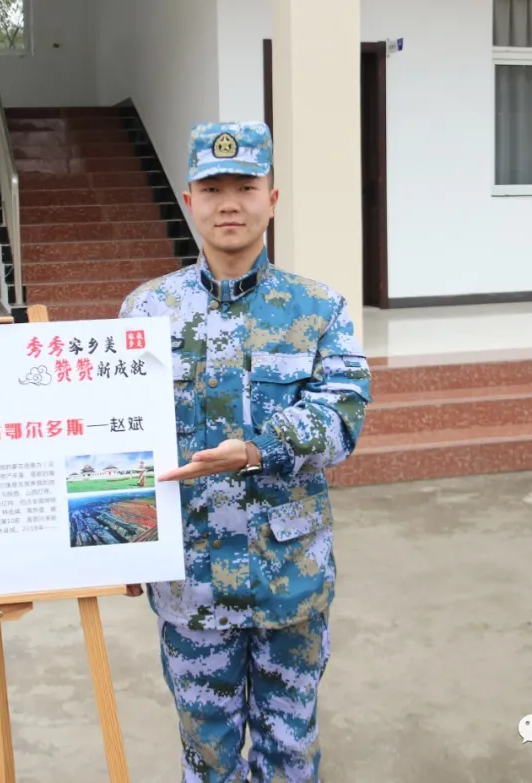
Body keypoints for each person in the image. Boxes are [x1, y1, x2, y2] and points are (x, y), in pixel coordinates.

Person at [117, 121, 372, 782]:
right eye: (212, 189)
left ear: (272, 199)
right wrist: (124, 539)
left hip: (288, 577)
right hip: (191, 580)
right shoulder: (146, 312)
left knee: (289, 748)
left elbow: (342, 415)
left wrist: (259, 449)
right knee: (206, 755)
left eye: (245, 187)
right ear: (189, 200)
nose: (229, 203)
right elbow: (121, 433)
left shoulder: (318, 308)